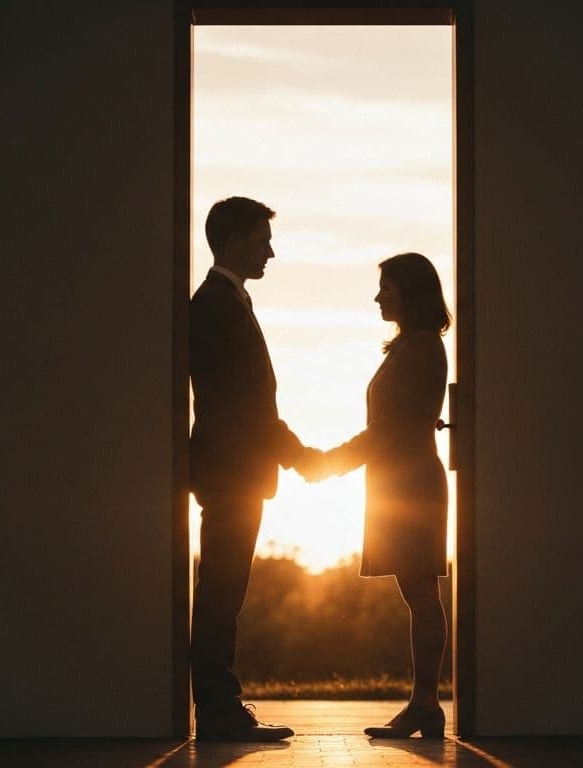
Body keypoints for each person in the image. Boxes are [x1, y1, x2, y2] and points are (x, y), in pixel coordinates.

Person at [300, 252, 451, 738]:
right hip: (400, 484)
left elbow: (389, 430)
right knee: (418, 593)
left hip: (411, 487)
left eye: (386, 286)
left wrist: (330, 463)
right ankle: (422, 705)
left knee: (421, 593)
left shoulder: (423, 347)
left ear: (411, 290)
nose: (378, 295)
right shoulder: (410, 347)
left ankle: (425, 704)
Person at [189, 196, 320, 741]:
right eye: (263, 239)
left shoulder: (229, 301)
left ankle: (221, 705)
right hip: (230, 470)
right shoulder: (216, 305)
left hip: (235, 469)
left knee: (225, 589)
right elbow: (246, 404)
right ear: (236, 239)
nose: (271, 250)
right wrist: (300, 456)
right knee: (221, 591)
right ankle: (219, 710)